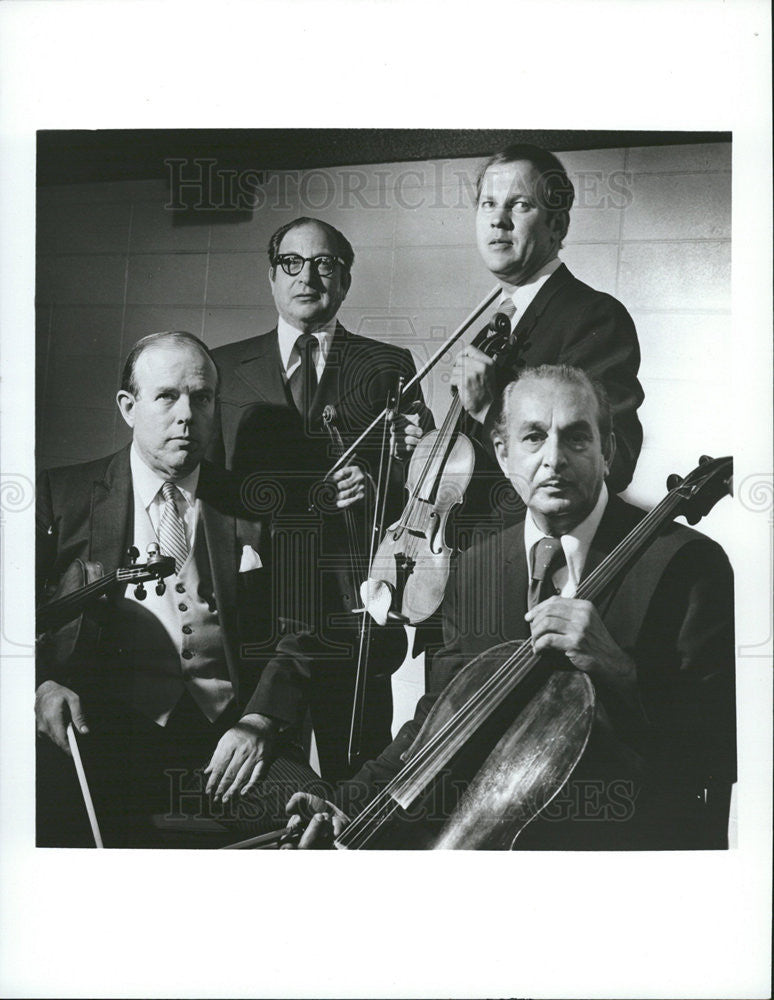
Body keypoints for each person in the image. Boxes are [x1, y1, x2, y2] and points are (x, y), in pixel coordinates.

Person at [285, 365, 735, 850]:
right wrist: (349, 804)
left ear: (608, 451)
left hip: (619, 850)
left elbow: (715, 748)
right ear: (502, 454)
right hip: (486, 846)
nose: (554, 459)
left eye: (577, 438)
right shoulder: (474, 568)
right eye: (534, 437)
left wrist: (621, 669)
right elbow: (440, 717)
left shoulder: (688, 563)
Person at [36, 331, 320, 847]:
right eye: (167, 396)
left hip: (229, 740)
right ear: (129, 406)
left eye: (202, 397)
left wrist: (260, 720)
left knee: (323, 825)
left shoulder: (259, 502)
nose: (187, 414)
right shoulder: (61, 496)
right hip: (99, 737)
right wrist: (41, 685)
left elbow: (302, 630)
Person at [210, 217, 432, 782]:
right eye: (292, 263)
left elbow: (424, 492)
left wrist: (389, 474)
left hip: (351, 612)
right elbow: (210, 488)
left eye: (325, 264)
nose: (307, 276)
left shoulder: (389, 364)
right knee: (263, 778)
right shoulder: (223, 369)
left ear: (346, 280)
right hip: (261, 606)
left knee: (355, 777)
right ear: (271, 276)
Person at [450, 143, 644, 524]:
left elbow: (613, 464)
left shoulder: (595, 317)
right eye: (488, 204)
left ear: (557, 225)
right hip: (470, 555)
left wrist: (488, 411)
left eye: (520, 205)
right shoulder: (497, 324)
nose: (498, 220)